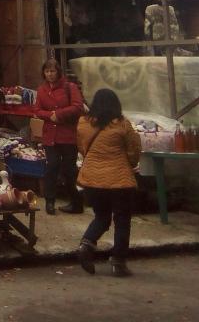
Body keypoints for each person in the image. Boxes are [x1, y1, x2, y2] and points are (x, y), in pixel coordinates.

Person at [76, 88, 142, 277]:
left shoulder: (83, 123)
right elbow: (134, 150)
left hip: (91, 180)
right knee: (122, 221)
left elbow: (82, 148)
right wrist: (130, 164)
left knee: (102, 217)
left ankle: (86, 245)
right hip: (119, 181)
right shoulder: (123, 124)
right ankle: (118, 263)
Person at [33, 58, 84, 214]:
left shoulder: (70, 87)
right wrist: (50, 115)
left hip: (68, 135)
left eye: (53, 71)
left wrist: (59, 115)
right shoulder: (41, 90)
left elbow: (78, 107)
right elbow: (37, 110)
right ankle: (50, 202)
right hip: (50, 136)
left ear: (58, 72)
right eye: (47, 71)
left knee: (69, 170)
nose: (50, 74)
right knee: (52, 166)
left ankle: (76, 202)